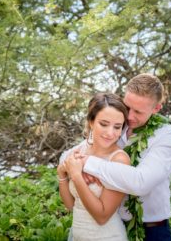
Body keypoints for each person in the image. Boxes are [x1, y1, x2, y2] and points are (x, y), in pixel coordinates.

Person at [65, 73, 171, 241]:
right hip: (111, 225)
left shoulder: (167, 137)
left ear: (156, 109)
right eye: (127, 107)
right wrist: (75, 166)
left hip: (151, 231)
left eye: (138, 112)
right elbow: (68, 157)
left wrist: (87, 163)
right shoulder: (116, 125)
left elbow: (140, 182)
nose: (129, 116)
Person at [57, 93, 131, 241]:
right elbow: (71, 205)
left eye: (117, 127)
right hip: (76, 236)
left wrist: (77, 176)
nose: (110, 133)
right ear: (91, 121)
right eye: (104, 124)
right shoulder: (79, 150)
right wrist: (62, 173)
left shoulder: (119, 160)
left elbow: (102, 216)